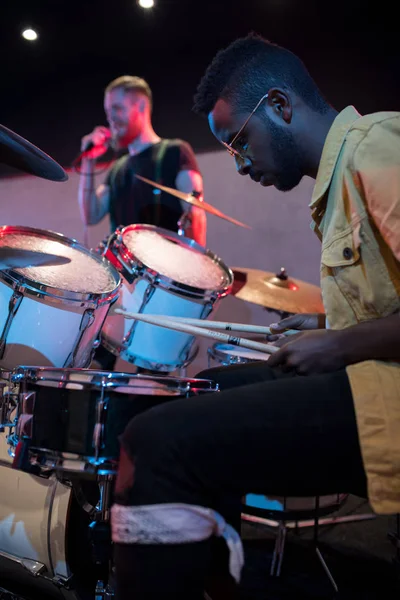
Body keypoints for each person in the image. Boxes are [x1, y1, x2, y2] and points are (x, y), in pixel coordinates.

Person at [110, 34, 400, 599]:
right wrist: (326, 330)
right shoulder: (339, 182)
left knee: (157, 441)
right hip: (370, 377)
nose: (239, 164)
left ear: (281, 106)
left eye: (239, 142)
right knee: (192, 393)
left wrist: (340, 347)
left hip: (386, 400)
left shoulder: (378, 147)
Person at [78, 75, 207, 369]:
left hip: (160, 284)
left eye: (117, 110)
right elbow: (90, 213)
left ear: (140, 106)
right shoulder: (117, 168)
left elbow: (196, 212)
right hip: (119, 285)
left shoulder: (175, 151)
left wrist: (193, 285)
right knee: (99, 365)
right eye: (108, 113)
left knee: (151, 370)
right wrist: (88, 160)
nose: (111, 120)